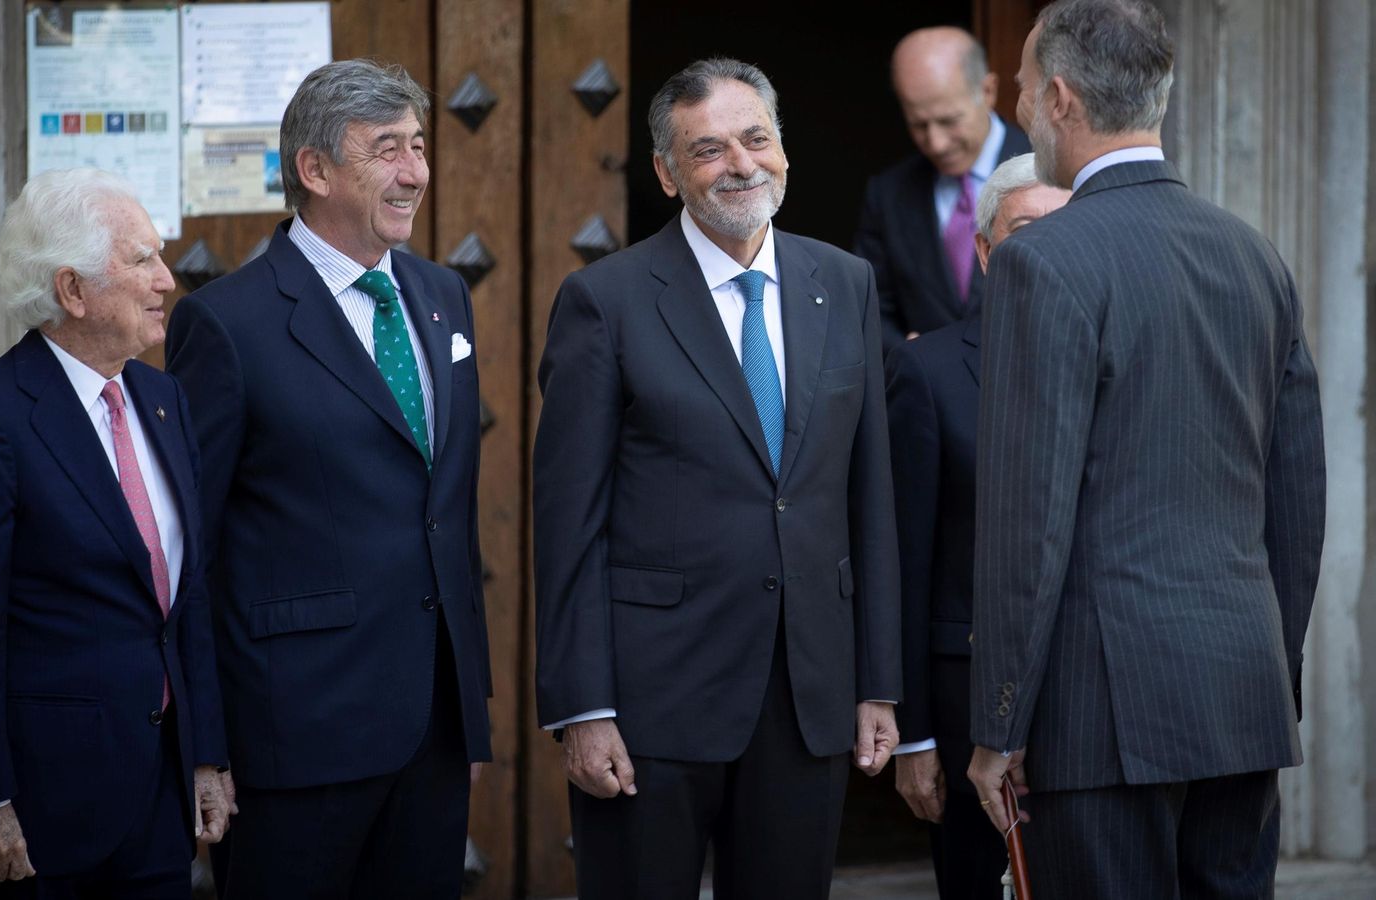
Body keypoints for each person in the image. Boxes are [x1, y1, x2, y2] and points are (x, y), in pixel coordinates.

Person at [966, 1, 1327, 896]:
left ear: (1057, 98)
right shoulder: (1254, 254)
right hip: (1242, 700)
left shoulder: (1039, 261)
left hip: (1100, 718)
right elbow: (1299, 499)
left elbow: (1027, 517)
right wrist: (1272, 675)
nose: (1015, 110)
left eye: (1017, 90)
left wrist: (999, 724)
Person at [533, 57, 901, 900]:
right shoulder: (606, 300)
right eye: (707, 149)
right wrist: (583, 707)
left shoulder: (843, 283)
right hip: (653, 700)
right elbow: (568, 524)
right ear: (667, 173)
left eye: (755, 139)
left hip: (809, 691)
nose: (740, 163)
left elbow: (869, 498)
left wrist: (878, 682)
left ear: (783, 150)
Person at [165, 58, 491, 899]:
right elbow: (188, 550)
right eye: (387, 149)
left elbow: (440, 517)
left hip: (432, 729)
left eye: (418, 145)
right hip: (294, 736)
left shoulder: (442, 294)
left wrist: (469, 716)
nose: (415, 171)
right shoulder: (227, 322)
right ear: (313, 170)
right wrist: (205, 743)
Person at [0, 167, 232, 896]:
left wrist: (204, 754)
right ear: (72, 290)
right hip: (31, 822)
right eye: (141, 259)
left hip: (154, 806)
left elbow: (185, 595)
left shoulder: (163, 398)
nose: (166, 279)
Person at [886, 153, 1070, 900]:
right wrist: (915, 735)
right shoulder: (926, 372)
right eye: (1027, 231)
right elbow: (903, 558)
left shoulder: (1123, 351)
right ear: (988, 251)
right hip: (965, 712)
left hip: (1094, 703)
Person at [856, 27, 1032, 350]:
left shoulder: (1044, 170)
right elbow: (869, 306)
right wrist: (906, 352)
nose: (935, 143)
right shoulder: (889, 194)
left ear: (988, 90)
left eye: (949, 121)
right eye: (918, 125)